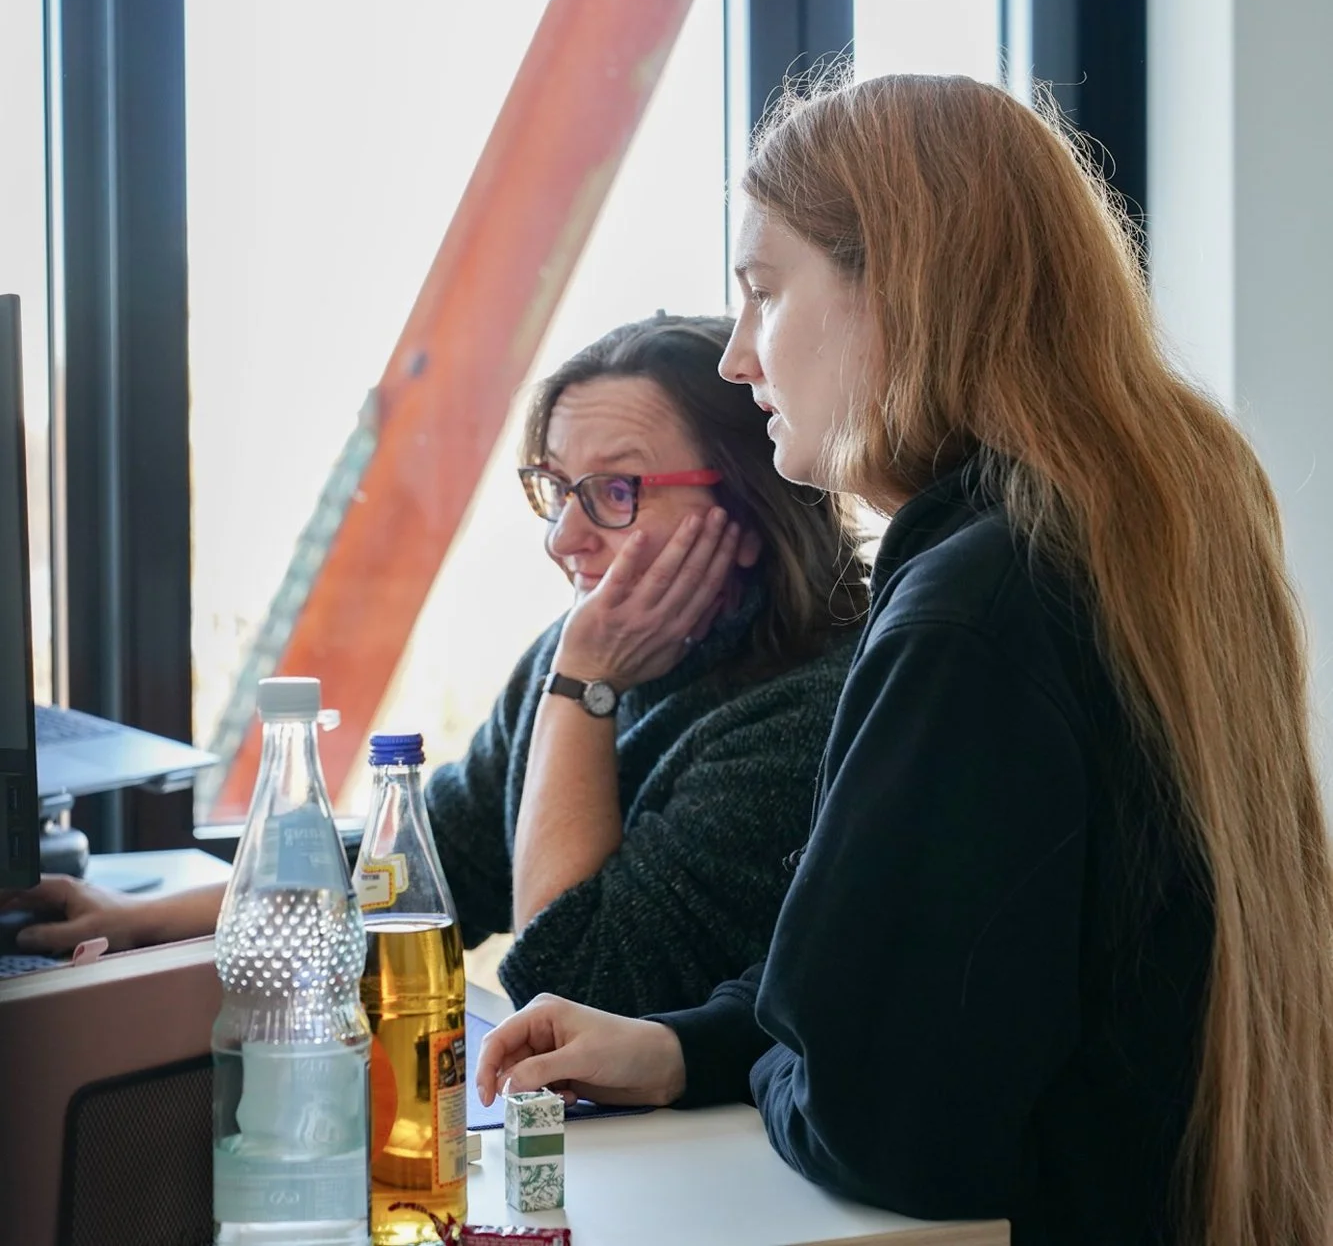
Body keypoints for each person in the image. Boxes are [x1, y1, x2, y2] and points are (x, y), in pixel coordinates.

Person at [475, 76, 1333, 1245]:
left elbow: (884, 1123)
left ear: (897, 297)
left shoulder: (969, 606)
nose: (737, 357)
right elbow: (971, 996)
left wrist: (778, 1069)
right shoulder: (1142, 525)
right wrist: (686, 1049)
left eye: (765, 295)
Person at [5, 314, 867, 1019]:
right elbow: (430, 865)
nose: (561, 539)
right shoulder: (589, 657)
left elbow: (573, 984)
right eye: (555, 489)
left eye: (615, 492)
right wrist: (139, 919)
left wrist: (584, 690)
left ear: (748, 514)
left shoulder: (804, 709)